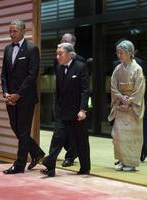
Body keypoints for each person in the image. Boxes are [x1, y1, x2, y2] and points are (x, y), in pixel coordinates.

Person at [1, 19, 45, 174]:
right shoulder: (7, 49)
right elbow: (4, 75)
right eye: (10, 31)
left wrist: (18, 94)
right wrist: (6, 93)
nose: (12, 34)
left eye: (15, 31)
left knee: (24, 130)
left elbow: (32, 75)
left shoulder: (32, 49)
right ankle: (37, 152)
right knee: (16, 127)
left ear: (23, 31)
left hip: (25, 97)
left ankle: (19, 165)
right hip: (10, 98)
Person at [40, 43, 91, 177]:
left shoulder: (81, 67)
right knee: (56, 139)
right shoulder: (58, 68)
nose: (57, 57)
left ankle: (85, 168)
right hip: (62, 112)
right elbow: (58, 91)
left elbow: (85, 91)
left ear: (69, 54)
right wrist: (56, 108)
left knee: (81, 141)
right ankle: (50, 167)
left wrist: (83, 110)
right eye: (57, 54)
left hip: (77, 113)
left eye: (60, 54)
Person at [110, 39, 147, 162]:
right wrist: (121, 98)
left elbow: (139, 89)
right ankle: (121, 160)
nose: (119, 55)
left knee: (131, 136)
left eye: (121, 53)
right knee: (118, 135)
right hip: (120, 104)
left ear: (129, 53)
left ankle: (131, 162)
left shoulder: (137, 69)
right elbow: (113, 85)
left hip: (132, 107)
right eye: (118, 53)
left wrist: (129, 102)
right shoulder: (117, 68)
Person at [58, 33, 86, 167]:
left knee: (75, 134)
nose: (62, 43)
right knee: (61, 133)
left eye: (65, 41)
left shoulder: (80, 61)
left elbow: (84, 88)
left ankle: (71, 155)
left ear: (72, 44)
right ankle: (69, 152)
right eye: (61, 40)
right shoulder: (58, 59)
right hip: (62, 103)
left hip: (75, 104)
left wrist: (83, 108)